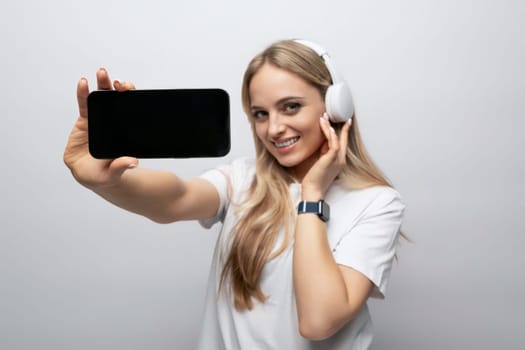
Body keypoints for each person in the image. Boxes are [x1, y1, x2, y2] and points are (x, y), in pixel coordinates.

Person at [64, 39, 405, 350]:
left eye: (290, 107)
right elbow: (176, 199)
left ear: (335, 106)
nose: (273, 129)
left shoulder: (376, 203)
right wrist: (107, 181)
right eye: (260, 114)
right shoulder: (243, 178)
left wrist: (312, 194)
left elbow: (318, 322)